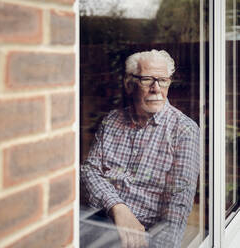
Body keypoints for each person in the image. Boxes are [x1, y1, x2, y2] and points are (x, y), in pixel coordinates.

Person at [80, 49, 200, 248]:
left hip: (144, 235)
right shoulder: (112, 120)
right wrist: (118, 208)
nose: (156, 88)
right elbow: (89, 171)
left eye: (163, 80)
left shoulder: (184, 130)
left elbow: (179, 203)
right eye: (147, 79)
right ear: (129, 85)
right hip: (98, 221)